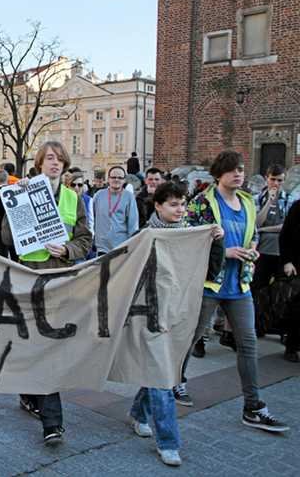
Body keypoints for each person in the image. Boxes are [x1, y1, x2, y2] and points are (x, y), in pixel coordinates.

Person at [178, 151, 289, 432]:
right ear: (218, 174)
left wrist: (252, 250)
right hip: (209, 284)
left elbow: (253, 233)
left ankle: (253, 406)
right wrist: (224, 252)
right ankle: (173, 382)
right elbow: (186, 239)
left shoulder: (247, 201)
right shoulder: (203, 202)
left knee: (248, 344)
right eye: (231, 170)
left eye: (240, 169)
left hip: (240, 285)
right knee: (190, 338)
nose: (238, 174)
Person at [129, 182, 224, 467]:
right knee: (164, 376)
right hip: (149, 316)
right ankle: (168, 442)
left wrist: (216, 242)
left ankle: (138, 412)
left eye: (182, 203)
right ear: (158, 206)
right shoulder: (144, 236)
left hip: (178, 315)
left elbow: (212, 270)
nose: (179, 209)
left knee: (159, 371)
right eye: (172, 204)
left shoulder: (190, 235)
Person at [13, 141, 93, 446]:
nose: (55, 163)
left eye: (60, 159)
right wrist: (15, 202)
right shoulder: (23, 193)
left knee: (49, 347)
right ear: (39, 164)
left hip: (60, 279)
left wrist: (69, 249)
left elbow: (85, 239)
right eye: (49, 158)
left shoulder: (74, 198)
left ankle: (51, 422)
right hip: (31, 278)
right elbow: (7, 236)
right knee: (37, 343)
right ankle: (34, 398)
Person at [252, 164, 290, 337]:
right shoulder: (257, 198)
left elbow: (286, 227)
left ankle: (280, 327)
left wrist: (264, 230)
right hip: (262, 250)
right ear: (266, 178)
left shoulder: (289, 199)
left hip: (281, 251)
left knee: (281, 291)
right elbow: (257, 222)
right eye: (273, 179)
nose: (276, 183)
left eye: (279, 180)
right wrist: (269, 202)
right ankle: (259, 324)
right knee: (259, 289)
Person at [93, 165, 139, 255]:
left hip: (120, 246)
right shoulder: (98, 195)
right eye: (113, 177)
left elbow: (133, 224)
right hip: (101, 247)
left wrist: (132, 246)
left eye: (120, 177)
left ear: (124, 180)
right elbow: (92, 218)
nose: (116, 180)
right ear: (108, 179)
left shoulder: (129, 197)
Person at [279, 198, 300, 362]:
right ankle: (291, 346)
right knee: (297, 307)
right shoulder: (298, 207)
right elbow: (285, 235)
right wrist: (287, 261)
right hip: (296, 265)